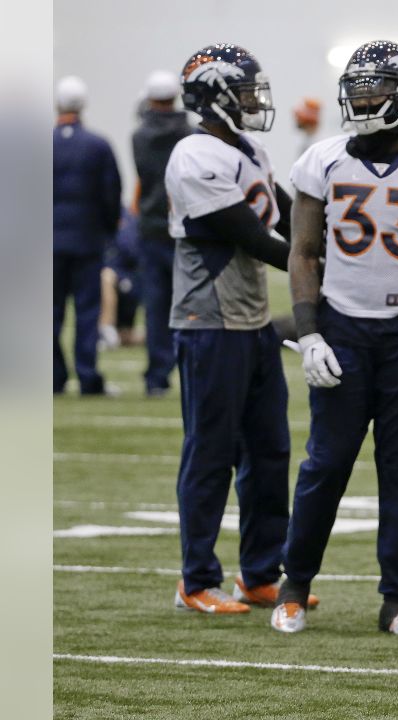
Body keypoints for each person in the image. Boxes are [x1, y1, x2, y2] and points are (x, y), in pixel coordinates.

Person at [269, 41, 398, 636]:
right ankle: (294, 585)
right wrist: (309, 335)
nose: (363, 99)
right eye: (357, 88)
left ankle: (396, 598)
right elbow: (302, 253)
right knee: (326, 463)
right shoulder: (321, 160)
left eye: (376, 89)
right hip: (342, 325)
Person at [166, 43, 309, 615]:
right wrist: (316, 267)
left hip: (250, 321)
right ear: (216, 96)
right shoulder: (193, 154)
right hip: (210, 321)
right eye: (245, 92)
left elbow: (291, 214)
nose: (254, 101)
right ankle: (196, 580)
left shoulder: (248, 148)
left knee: (270, 449)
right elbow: (252, 236)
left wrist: (332, 237)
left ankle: (259, 573)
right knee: (210, 452)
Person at [53, 75, 121, 396]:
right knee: (86, 312)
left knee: (49, 313)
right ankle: (87, 376)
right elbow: (111, 195)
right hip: (86, 241)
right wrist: (107, 232)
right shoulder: (98, 145)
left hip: (47, 244)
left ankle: (53, 377)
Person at [132, 69, 192, 396]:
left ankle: (157, 377)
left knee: (156, 306)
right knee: (190, 306)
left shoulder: (139, 136)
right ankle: (189, 370)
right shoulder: (190, 134)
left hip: (152, 229)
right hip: (184, 229)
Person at [99, 207, 144, 350]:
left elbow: (131, 251)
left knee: (106, 276)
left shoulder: (125, 218)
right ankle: (111, 334)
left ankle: (107, 331)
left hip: (126, 281)